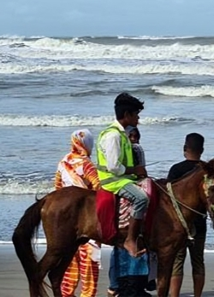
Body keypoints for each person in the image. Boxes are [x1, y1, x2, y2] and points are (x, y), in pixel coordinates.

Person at [96, 92, 148, 259]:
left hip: (123, 178)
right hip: (113, 181)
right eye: (136, 115)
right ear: (127, 115)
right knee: (142, 199)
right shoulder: (113, 136)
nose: (138, 120)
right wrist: (135, 171)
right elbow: (113, 167)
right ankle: (130, 239)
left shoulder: (122, 134)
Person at [54, 129, 101, 297]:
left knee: (69, 261)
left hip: (66, 217)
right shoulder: (86, 164)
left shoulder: (63, 162)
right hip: (86, 217)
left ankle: (67, 294)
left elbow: (58, 189)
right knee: (89, 261)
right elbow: (97, 188)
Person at [108, 126, 153, 297]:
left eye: (136, 136)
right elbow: (142, 172)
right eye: (131, 136)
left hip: (121, 191)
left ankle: (116, 285)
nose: (134, 139)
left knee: (120, 246)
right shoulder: (137, 149)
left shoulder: (125, 151)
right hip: (130, 194)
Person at [167, 132, 206, 297]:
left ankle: (174, 295)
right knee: (198, 262)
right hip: (199, 222)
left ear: (185, 148)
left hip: (179, 225)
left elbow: (168, 199)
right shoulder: (205, 170)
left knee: (177, 262)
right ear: (202, 150)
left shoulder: (176, 170)